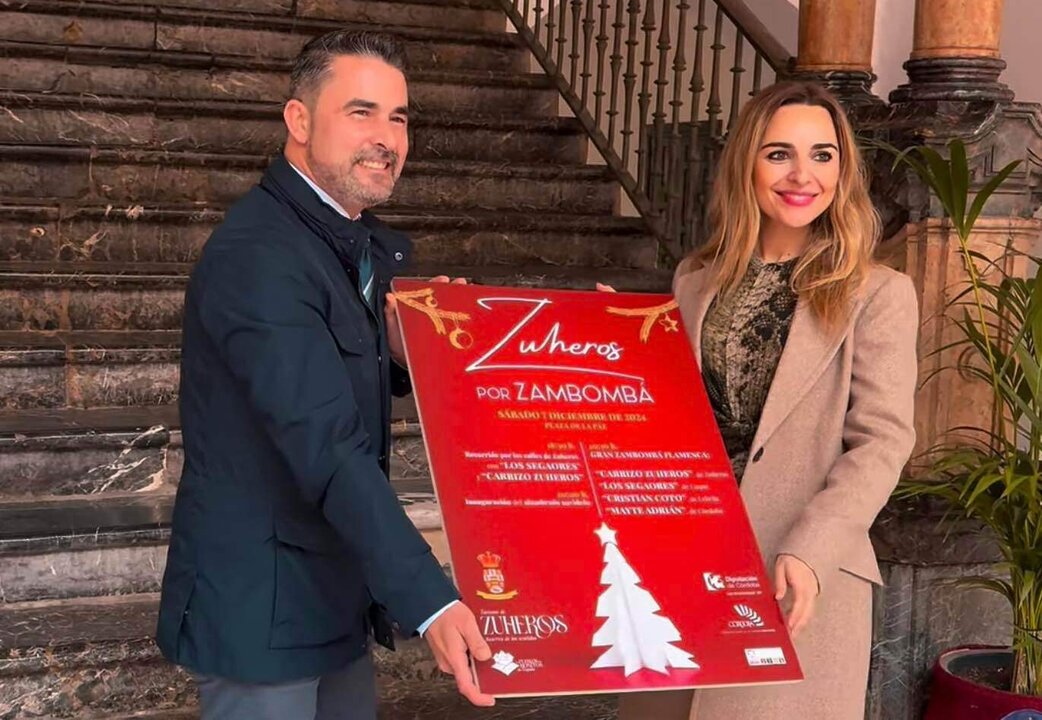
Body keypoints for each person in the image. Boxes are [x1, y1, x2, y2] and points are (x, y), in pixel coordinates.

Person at [156, 30, 493, 719]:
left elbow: (327, 372)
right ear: (299, 121)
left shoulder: (345, 239)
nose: (387, 137)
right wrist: (428, 597)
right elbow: (325, 443)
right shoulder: (261, 255)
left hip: (334, 597)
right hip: (263, 609)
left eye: (399, 117)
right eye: (361, 112)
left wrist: (399, 352)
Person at [615, 81, 919, 719]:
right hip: (684, 563)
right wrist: (618, 338)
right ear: (746, 164)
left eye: (823, 154)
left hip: (799, 575)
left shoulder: (877, 292)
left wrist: (811, 549)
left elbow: (883, 441)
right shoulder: (695, 280)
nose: (803, 174)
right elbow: (677, 413)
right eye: (779, 153)